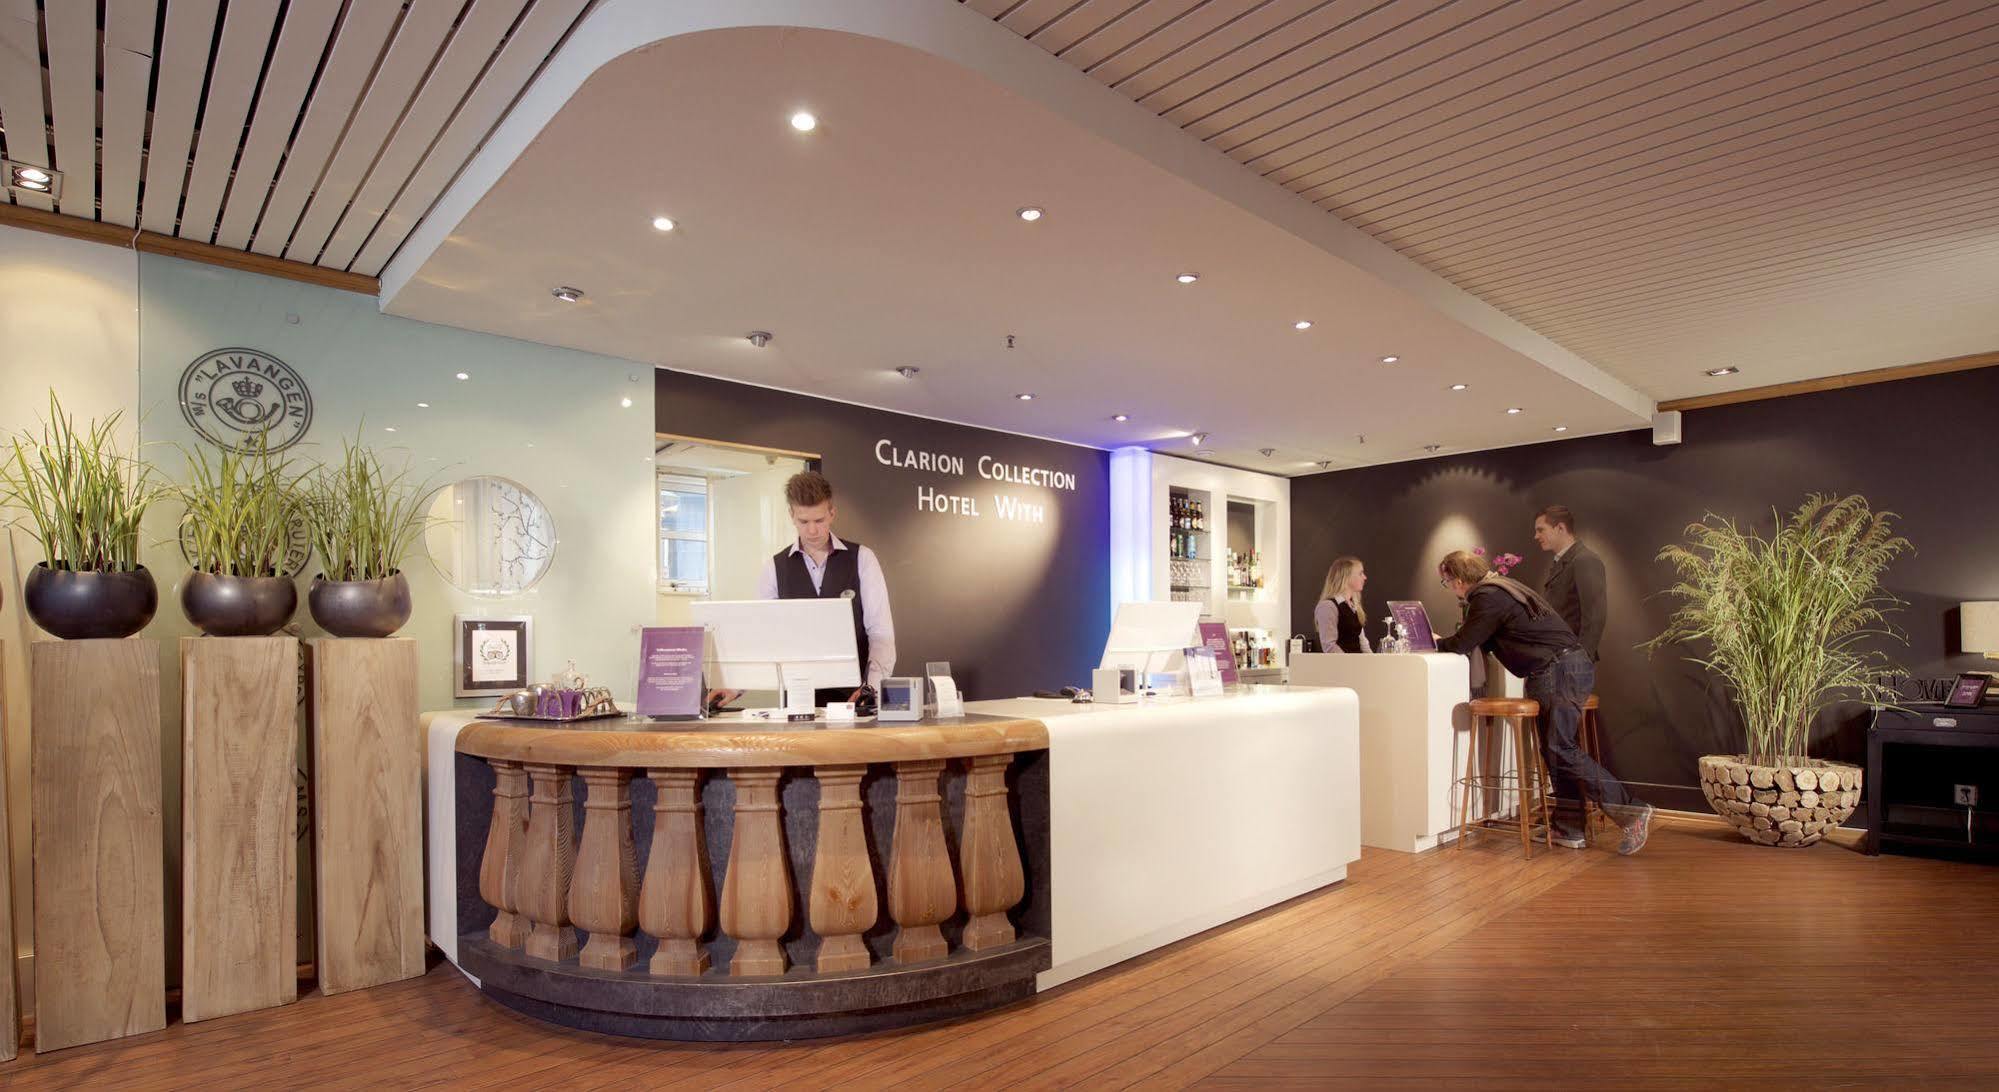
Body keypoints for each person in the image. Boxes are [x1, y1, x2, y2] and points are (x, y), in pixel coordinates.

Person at [1434, 550, 1651, 854]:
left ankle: (1631, 812)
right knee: (1557, 750)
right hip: (1568, 666)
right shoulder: (1504, 588)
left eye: (1446, 583)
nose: (1449, 588)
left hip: (1555, 670)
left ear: (1458, 580)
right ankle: (1569, 827)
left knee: (1560, 748)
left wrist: (1435, 641)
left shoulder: (1486, 597)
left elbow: (1464, 642)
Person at [753, 470, 896, 706]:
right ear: (791, 515)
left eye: (819, 520)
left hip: (856, 698)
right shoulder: (773, 568)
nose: (812, 530)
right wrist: (734, 686)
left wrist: (872, 687)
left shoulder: (862, 558)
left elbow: (881, 633)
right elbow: (765, 636)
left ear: (832, 513)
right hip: (797, 699)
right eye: (803, 521)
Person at [1533, 505, 1606, 662]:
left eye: (1541, 530)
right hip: (1557, 658)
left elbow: (1595, 617)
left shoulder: (1585, 559)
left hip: (1571, 661)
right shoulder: (1563, 561)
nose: (1536, 536)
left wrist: (1580, 659)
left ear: (1560, 528)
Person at [1314, 557, 1372, 654]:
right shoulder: (1328, 606)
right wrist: (1350, 662)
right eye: (1360, 573)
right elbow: (1329, 647)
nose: (1365, 577)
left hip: (1357, 662)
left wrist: (1372, 661)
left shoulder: (1354, 606)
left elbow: (1364, 644)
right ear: (1346, 577)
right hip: (1342, 663)